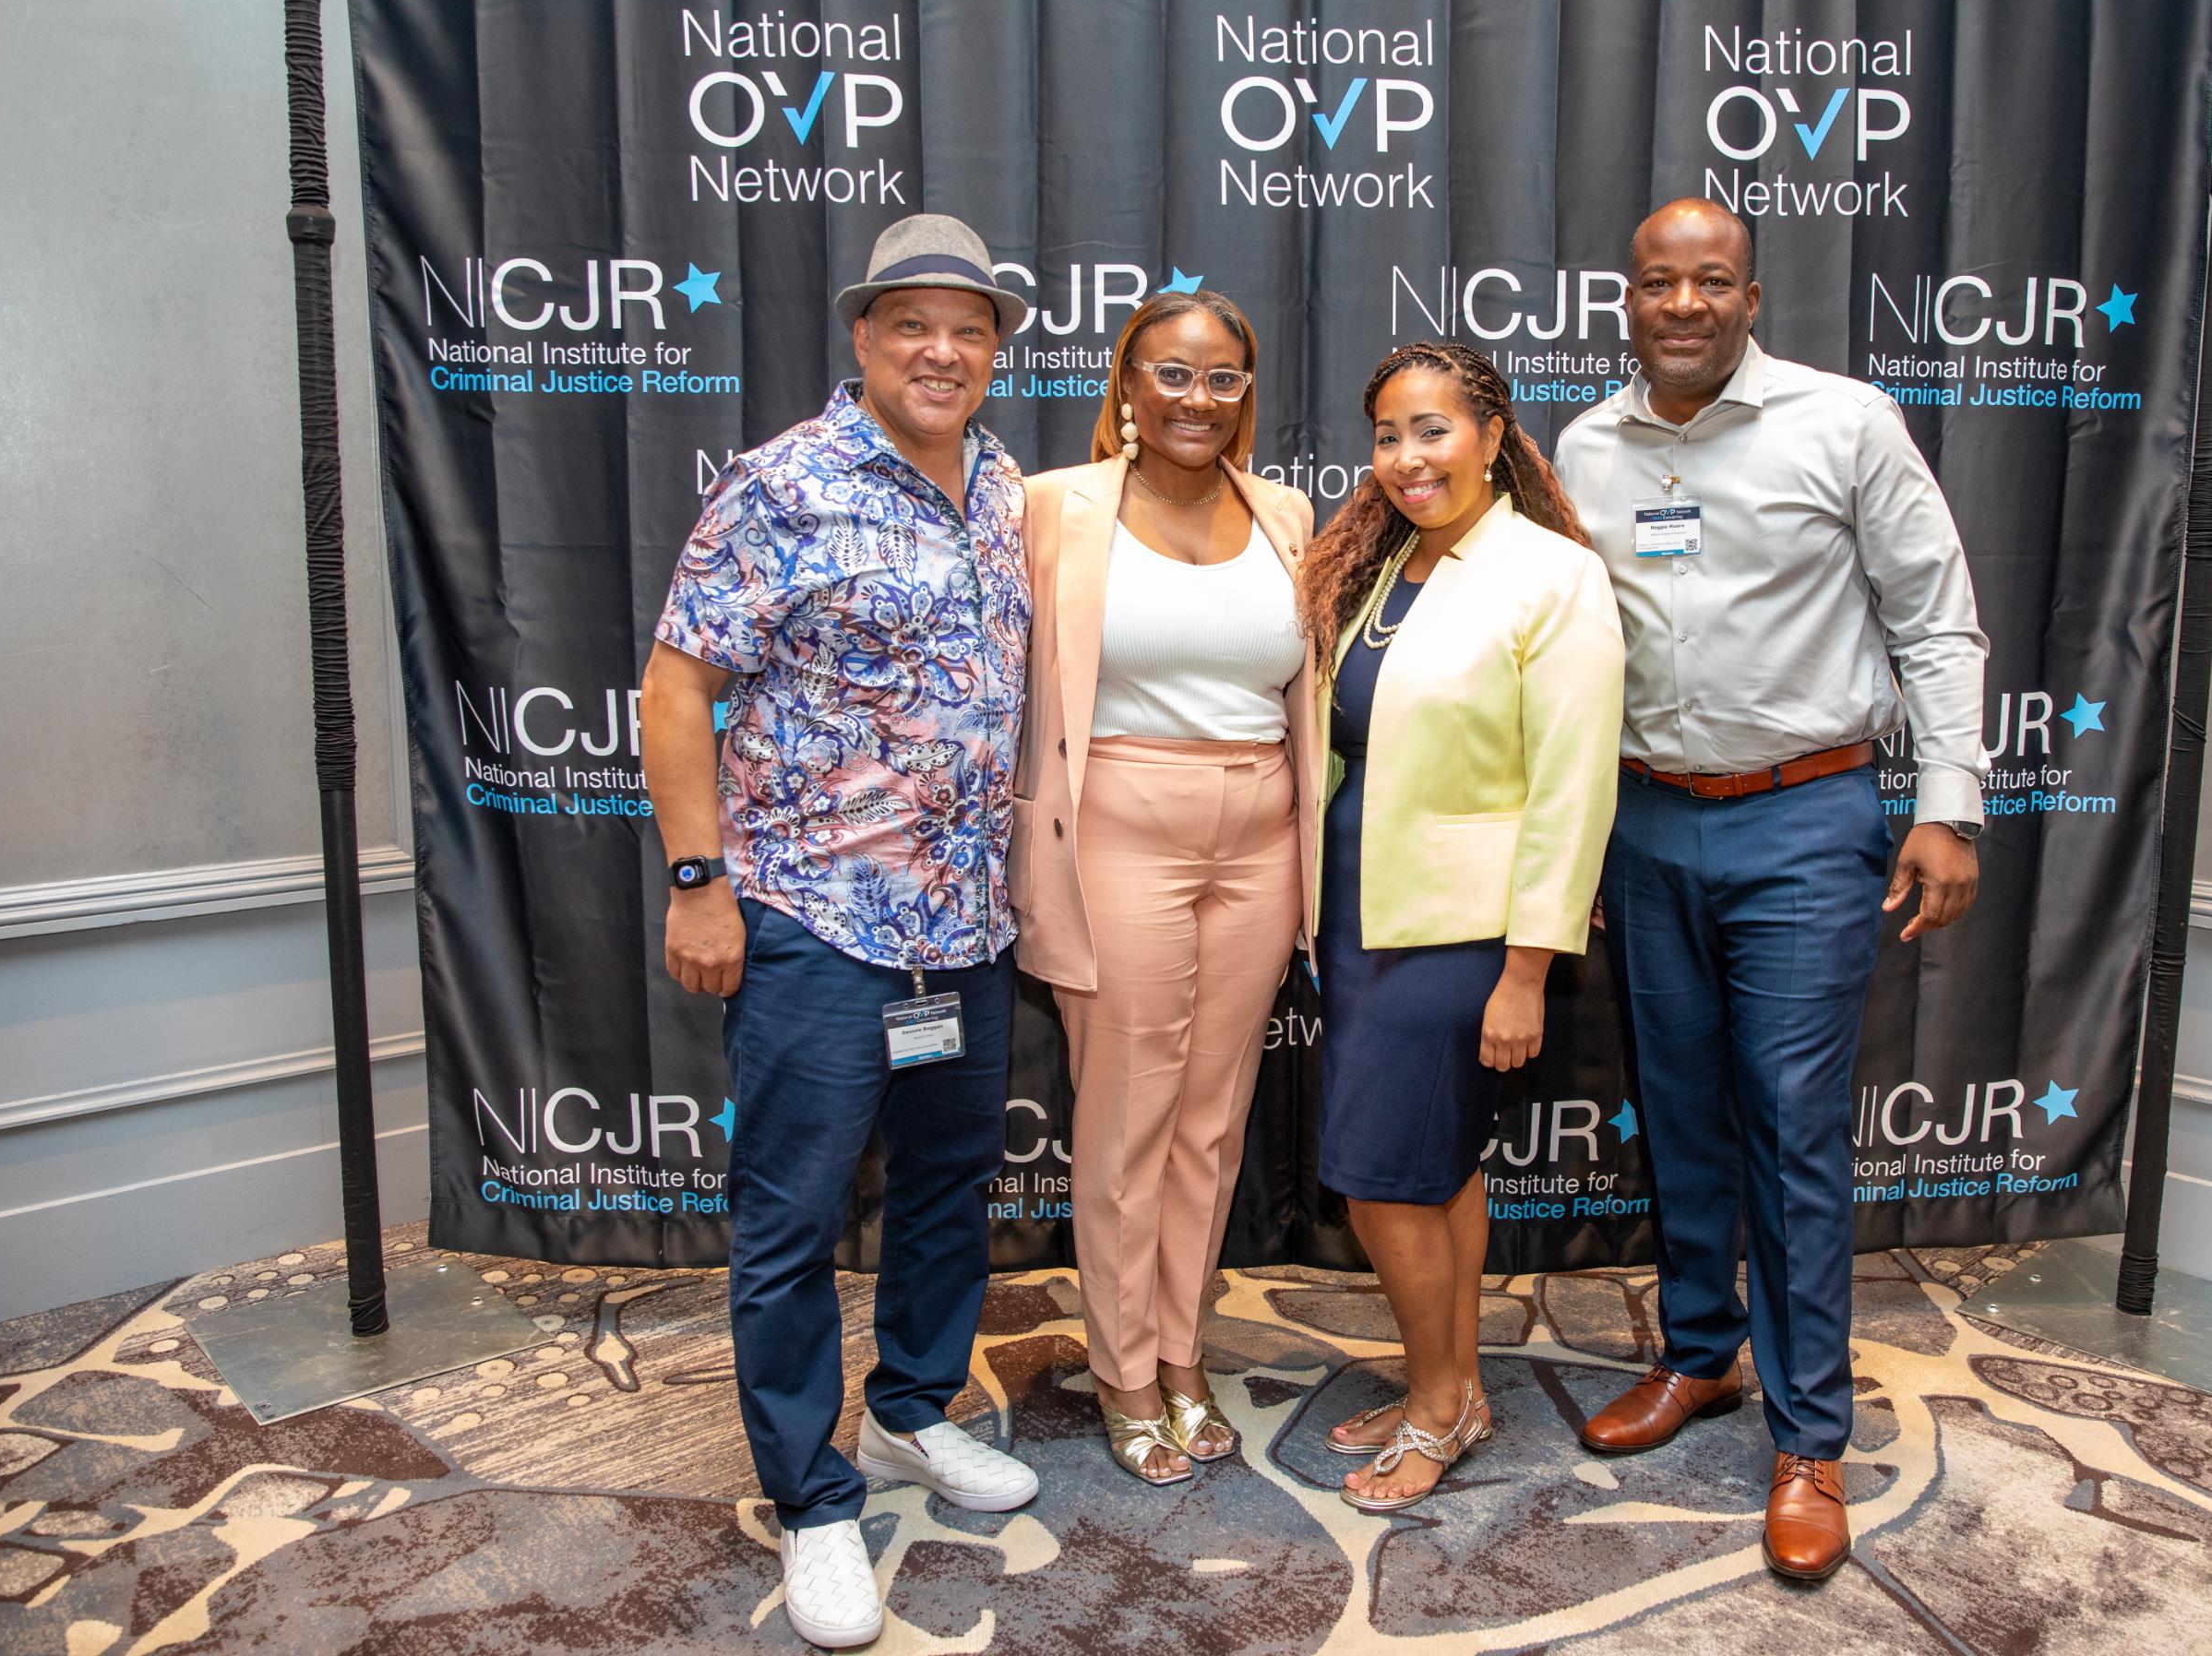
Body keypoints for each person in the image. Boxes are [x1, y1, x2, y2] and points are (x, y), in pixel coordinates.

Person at [1556, 198, 1989, 1583]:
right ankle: (1700, 1356)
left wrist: (1948, 806)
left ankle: (1808, 1435)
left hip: (1802, 818)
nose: (1681, 304)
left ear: (1750, 298)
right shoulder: (1585, 445)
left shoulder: (1843, 422)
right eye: (1655, 282)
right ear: (1626, 300)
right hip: (1644, 819)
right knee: (1679, 1109)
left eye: (1709, 282)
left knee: (1791, 1126)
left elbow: (1934, 622)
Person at [640, 214, 1042, 1650]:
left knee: (944, 1192)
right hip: (813, 921)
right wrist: (700, 881)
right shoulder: (782, 485)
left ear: (993, 351)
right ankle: (811, 1497)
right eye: (910, 325)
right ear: (861, 337)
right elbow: (676, 686)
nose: (941, 352)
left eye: (968, 329)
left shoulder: (1007, 490)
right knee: (792, 1218)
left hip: (964, 931)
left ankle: (910, 1414)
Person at [1299, 340, 1624, 1513]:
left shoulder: (1553, 574)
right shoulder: (1388, 564)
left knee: (1381, 1175)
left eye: (1431, 429)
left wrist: (1525, 969)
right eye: (1387, 435)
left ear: (1491, 436)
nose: (1406, 457)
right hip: (1358, 909)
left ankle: (1438, 1407)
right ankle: (1452, 1385)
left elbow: (1573, 789)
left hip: (1459, 931)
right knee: (1437, 1168)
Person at [1010, 291, 1321, 1485]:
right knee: (1127, 1116)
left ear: (1246, 391)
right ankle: (1123, 1369)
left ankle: (1181, 1352)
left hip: (1260, 836)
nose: (1197, 398)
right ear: (1127, 384)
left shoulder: (1285, 514)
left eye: (1222, 377)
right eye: (1171, 373)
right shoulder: (1053, 506)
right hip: (1117, 828)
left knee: (1211, 1117)